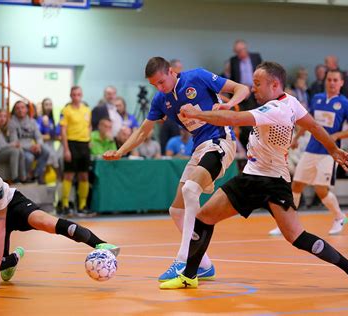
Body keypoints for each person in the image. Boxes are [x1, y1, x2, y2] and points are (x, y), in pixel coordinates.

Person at [159, 61, 348, 294]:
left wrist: (198, 113)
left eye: (257, 84)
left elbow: (233, 120)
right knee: (203, 218)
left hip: (274, 182)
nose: (253, 89)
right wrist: (333, 148)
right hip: (251, 178)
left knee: (298, 237)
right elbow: (313, 125)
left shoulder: (276, 110)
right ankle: (189, 276)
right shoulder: (291, 101)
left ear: (274, 84)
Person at [103, 56, 250, 282]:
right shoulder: (160, 100)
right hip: (199, 147)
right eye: (154, 85)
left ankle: (183, 260)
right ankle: (204, 264)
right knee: (176, 210)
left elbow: (241, 88)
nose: (159, 88)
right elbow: (143, 131)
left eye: (161, 82)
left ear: (171, 72)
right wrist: (121, 151)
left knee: (191, 190)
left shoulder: (197, 77)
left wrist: (229, 105)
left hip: (221, 140)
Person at [0, 151, 119, 291]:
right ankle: (10, 260)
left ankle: (101, 244)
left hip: (11, 205)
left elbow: (0, 225)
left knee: (46, 222)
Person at [269, 69, 348, 236]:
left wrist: (337, 135)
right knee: (296, 185)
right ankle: (288, 222)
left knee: (320, 189)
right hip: (311, 149)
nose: (332, 82)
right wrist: (296, 139)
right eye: (329, 79)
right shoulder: (317, 99)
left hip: (329, 152)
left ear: (341, 83)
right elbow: (308, 122)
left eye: (335, 80)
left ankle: (339, 217)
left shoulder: (346, 103)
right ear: (326, 81)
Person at [60, 86, 91, 215]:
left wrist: (89, 141)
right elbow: (63, 131)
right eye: (74, 94)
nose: (76, 97)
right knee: (69, 175)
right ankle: (65, 204)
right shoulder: (66, 110)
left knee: (84, 175)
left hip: (84, 145)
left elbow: (89, 126)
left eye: (78, 94)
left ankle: (82, 205)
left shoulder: (87, 110)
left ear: (82, 95)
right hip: (72, 144)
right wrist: (66, 149)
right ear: (70, 95)